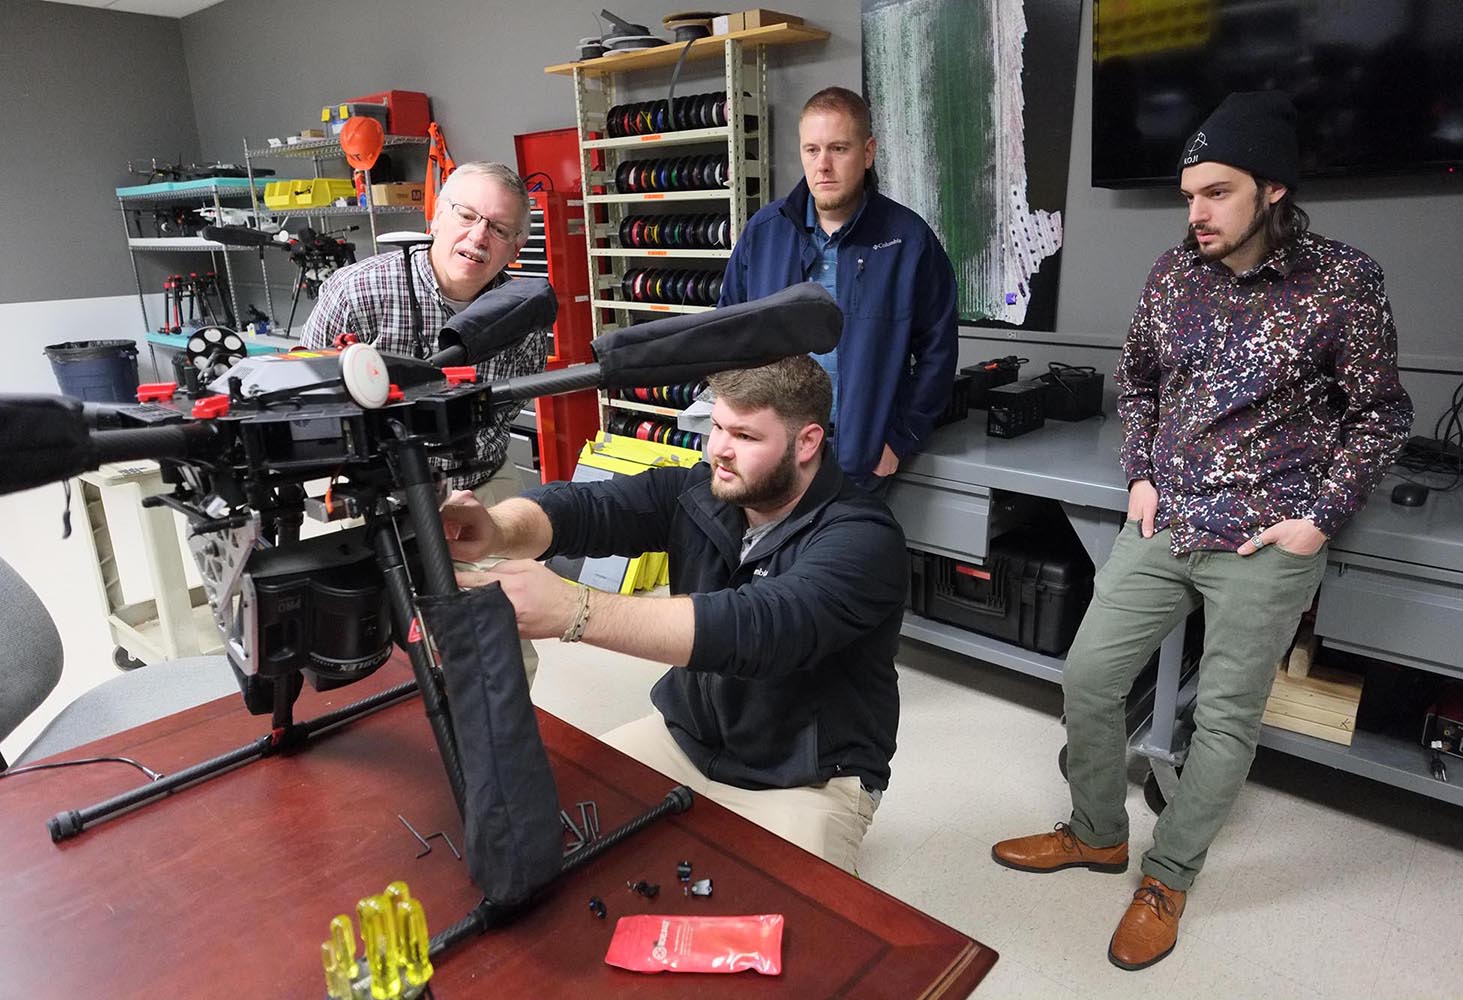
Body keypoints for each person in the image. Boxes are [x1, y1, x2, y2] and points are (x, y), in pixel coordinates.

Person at [990, 92, 1412, 971]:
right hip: (1167, 518)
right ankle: (1098, 833)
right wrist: (1139, 472)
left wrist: (1317, 520)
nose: (1198, 214)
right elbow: (1136, 382)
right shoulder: (1174, 271)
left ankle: (1168, 876)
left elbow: (1380, 416)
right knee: (1091, 676)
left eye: (1216, 193)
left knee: (1221, 720)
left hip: (1267, 535)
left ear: (1273, 190)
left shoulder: (1344, 281)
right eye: (1190, 196)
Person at [440, 355, 908, 873]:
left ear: (807, 442)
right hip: (683, 742)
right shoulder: (703, 490)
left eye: (746, 437)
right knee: (549, 832)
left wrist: (575, 609)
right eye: (717, 427)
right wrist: (498, 527)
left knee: (795, 930)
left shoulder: (863, 538)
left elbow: (760, 628)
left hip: (805, 778)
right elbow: (588, 509)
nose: (720, 450)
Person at [302, 161, 548, 683]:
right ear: (435, 218)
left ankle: (497, 756)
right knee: (380, 652)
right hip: (378, 495)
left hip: (482, 483)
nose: (478, 236)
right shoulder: (356, 293)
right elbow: (308, 396)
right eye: (466, 215)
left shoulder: (524, 315)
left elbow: (504, 410)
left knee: (501, 650)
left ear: (515, 245)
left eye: (499, 229)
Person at [717, 86, 959, 493]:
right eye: (812, 150)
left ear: (867, 153)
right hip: (773, 458)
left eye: (839, 149)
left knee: (839, 559)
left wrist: (899, 439)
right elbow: (727, 337)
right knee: (766, 559)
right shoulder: (764, 234)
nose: (823, 165)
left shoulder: (908, 240)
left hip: (857, 466)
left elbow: (938, 351)